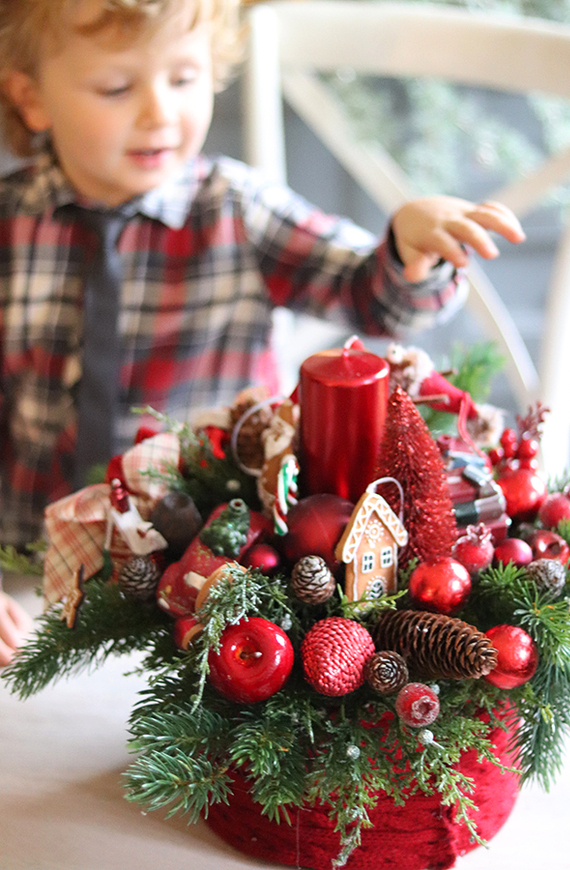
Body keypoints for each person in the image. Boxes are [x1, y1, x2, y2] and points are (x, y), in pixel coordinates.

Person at [0, 0, 525, 661]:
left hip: (212, 577)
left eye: (184, 78)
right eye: (115, 87)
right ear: (32, 98)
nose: (160, 112)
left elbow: (366, 293)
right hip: (25, 569)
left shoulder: (236, 209)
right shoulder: (10, 224)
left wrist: (406, 253)